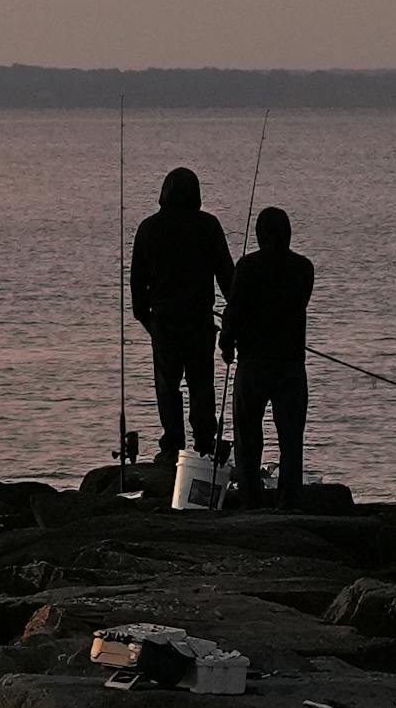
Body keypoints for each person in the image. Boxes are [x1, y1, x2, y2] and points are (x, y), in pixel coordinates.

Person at [124, 163, 229, 472]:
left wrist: (151, 322)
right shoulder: (208, 226)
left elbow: (136, 288)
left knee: (167, 385)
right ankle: (205, 445)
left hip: (164, 322)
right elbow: (227, 278)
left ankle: (173, 445)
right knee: (201, 384)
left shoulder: (148, 228)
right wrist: (236, 319)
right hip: (198, 321)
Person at [220, 203, 318, 498]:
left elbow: (234, 312)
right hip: (290, 364)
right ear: (287, 234)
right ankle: (290, 498)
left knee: (247, 436)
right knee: (291, 439)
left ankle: (250, 496)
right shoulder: (304, 269)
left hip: (253, 364)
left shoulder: (247, 267)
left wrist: (226, 344)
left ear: (259, 235)